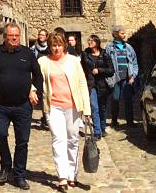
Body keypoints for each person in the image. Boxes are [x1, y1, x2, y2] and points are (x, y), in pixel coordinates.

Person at [0, 23, 42, 189]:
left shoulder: (27, 53)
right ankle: (5, 165)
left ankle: (19, 175)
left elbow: (38, 76)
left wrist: (35, 90)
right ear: (5, 37)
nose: (15, 38)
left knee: (22, 141)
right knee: (0, 134)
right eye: (11, 36)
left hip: (23, 105)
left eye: (17, 35)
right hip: (2, 105)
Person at [38, 32, 92, 190]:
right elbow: (35, 79)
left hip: (73, 106)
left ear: (64, 46)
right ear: (49, 46)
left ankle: (72, 175)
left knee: (72, 140)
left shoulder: (74, 61)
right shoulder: (43, 62)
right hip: (53, 106)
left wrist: (86, 108)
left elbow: (82, 83)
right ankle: (62, 176)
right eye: (54, 45)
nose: (56, 48)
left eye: (59, 45)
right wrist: (33, 90)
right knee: (58, 139)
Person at [104, 25, 138, 128]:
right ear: (116, 34)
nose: (124, 35)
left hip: (127, 78)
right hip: (115, 78)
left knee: (128, 100)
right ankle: (114, 121)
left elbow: (134, 62)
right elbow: (106, 63)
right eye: (122, 33)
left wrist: (133, 76)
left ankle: (130, 122)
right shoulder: (109, 48)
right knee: (115, 99)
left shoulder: (128, 47)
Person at [80, 34, 113, 139]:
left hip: (103, 85)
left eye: (92, 41)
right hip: (91, 84)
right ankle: (97, 132)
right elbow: (82, 68)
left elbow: (111, 70)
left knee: (102, 108)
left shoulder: (105, 54)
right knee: (94, 107)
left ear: (97, 42)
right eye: (88, 40)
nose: (89, 42)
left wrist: (99, 70)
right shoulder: (85, 54)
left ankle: (102, 128)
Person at [31, 29, 50, 129]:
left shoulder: (50, 48)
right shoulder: (34, 48)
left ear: (46, 37)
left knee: (47, 96)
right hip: (37, 75)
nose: (40, 36)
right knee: (40, 96)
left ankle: (47, 118)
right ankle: (45, 117)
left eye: (43, 35)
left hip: (47, 75)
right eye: (39, 34)